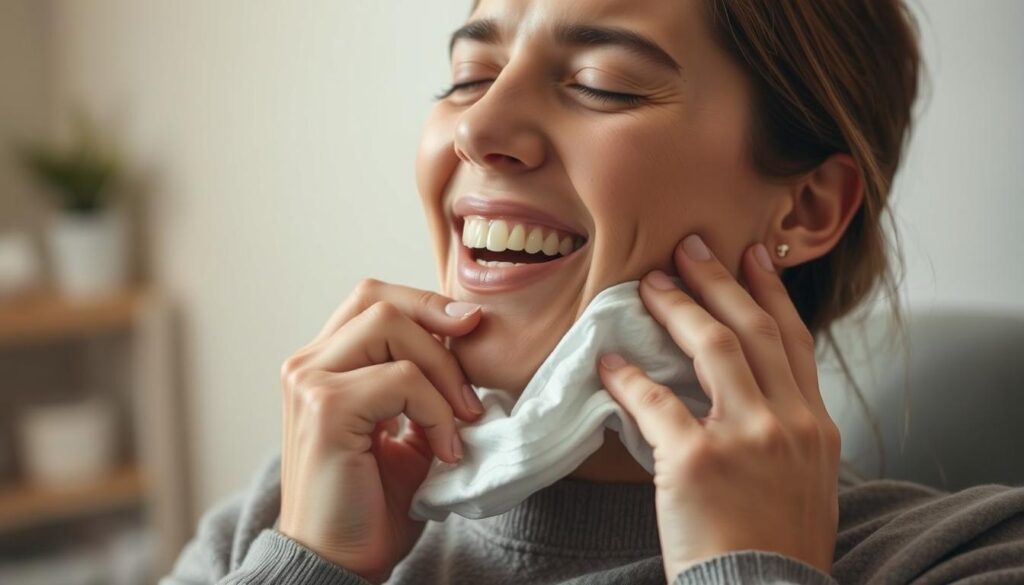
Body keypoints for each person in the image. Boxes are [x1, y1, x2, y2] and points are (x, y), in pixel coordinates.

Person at [160, 1, 1024, 584]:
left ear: (807, 204)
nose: (478, 128)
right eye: (467, 76)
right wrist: (311, 563)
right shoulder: (280, 516)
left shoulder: (966, 560)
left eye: (599, 84)